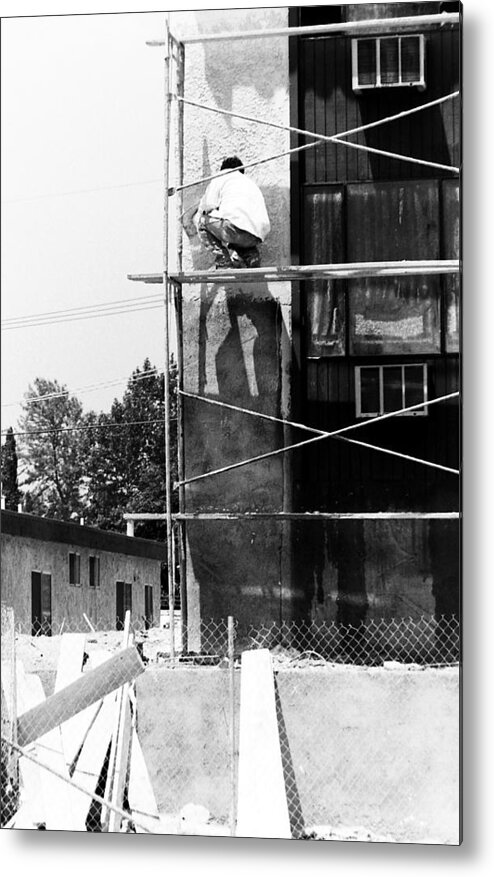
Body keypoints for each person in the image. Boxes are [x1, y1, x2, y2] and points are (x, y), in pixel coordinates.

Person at [184, 156, 270, 269]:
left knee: (203, 221)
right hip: (257, 236)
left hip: (234, 230)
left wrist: (195, 217)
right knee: (240, 230)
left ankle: (223, 261)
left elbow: (207, 205)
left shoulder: (221, 177)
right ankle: (251, 256)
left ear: (223, 169)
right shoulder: (250, 183)